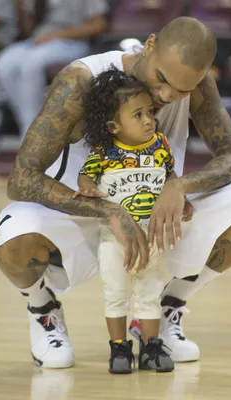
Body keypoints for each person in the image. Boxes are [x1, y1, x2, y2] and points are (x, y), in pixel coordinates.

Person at [0, 17, 231, 369]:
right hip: (81, 218)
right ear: (150, 44)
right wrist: (110, 211)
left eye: (181, 91)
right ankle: (43, 309)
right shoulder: (80, 79)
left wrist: (180, 184)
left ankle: (165, 308)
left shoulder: (196, 82)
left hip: (155, 223)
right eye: (162, 79)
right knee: (13, 232)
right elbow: (21, 178)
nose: (166, 96)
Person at [75, 68, 181, 373]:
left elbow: (169, 177)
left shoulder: (160, 145)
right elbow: (86, 175)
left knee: (150, 294)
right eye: (138, 115)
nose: (149, 119)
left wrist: (179, 200)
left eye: (150, 112)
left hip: (154, 237)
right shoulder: (104, 152)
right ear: (113, 127)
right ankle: (119, 347)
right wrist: (86, 186)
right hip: (115, 239)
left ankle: (151, 346)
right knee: (116, 295)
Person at [0, 0, 109, 139]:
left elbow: (99, 25)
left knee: (31, 65)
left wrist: (58, 35)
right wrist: (21, 7)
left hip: (72, 42)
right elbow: (28, 28)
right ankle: (29, 122)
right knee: (4, 63)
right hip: (40, 41)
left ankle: (33, 133)